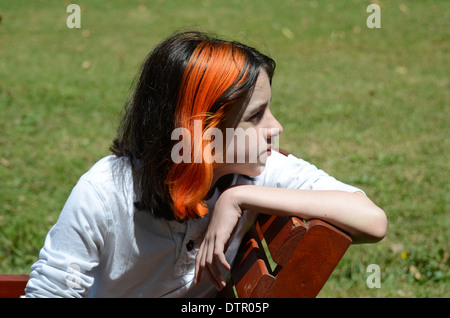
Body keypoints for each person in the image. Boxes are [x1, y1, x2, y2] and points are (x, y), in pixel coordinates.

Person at [25, 31, 386, 297]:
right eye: (257, 115)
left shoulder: (254, 174)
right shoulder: (105, 193)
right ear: (203, 132)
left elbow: (372, 221)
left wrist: (238, 198)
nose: (276, 128)